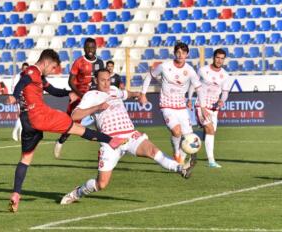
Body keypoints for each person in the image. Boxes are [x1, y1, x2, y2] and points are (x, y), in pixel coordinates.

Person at [8, 49, 126, 213]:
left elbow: (53, 91)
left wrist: (69, 93)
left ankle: (16, 193)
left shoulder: (37, 76)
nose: (53, 71)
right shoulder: (32, 72)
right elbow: (23, 82)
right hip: (41, 116)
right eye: (53, 67)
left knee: (25, 159)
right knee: (77, 128)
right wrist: (14, 95)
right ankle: (111, 140)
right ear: (47, 62)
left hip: (27, 122)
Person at [60, 69, 197, 205]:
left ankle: (180, 168)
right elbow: (74, 115)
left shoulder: (114, 90)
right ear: (95, 81)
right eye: (103, 80)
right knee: (101, 184)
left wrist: (138, 94)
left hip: (130, 134)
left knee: (153, 151)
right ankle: (77, 192)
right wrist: (97, 107)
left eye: (108, 80)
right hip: (111, 141)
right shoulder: (91, 96)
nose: (107, 83)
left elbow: (126, 94)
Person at [139, 42, 207, 164]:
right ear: (174, 53)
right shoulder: (165, 66)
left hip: (181, 107)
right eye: (178, 52)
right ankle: (176, 152)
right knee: (176, 131)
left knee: (188, 136)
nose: (181, 55)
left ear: (187, 54)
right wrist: (143, 94)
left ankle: (180, 160)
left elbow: (199, 88)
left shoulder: (190, 70)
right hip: (166, 105)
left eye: (184, 52)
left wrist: (202, 107)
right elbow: (149, 76)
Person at [54, 37, 104, 159]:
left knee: (102, 123)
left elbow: (102, 80)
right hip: (80, 96)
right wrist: (81, 95)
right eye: (88, 47)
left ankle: (104, 150)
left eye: (92, 47)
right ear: (84, 48)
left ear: (96, 48)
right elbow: (70, 82)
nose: (90, 50)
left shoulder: (100, 63)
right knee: (71, 123)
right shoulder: (79, 62)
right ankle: (60, 141)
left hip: (95, 97)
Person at [188, 48, 231, 168]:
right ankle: (211, 161)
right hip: (201, 106)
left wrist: (222, 100)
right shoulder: (203, 70)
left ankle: (188, 137)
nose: (219, 60)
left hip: (214, 108)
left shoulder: (225, 75)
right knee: (210, 130)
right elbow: (193, 84)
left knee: (210, 133)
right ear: (213, 57)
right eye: (218, 57)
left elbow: (225, 92)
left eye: (222, 58)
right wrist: (189, 98)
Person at [11, 62, 29, 142]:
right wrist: (15, 97)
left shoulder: (29, 76)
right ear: (21, 68)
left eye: (26, 68)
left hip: (27, 98)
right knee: (21, 115)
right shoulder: (18, 76)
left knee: (24, 116)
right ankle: (15, 132)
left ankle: (20, 133)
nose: (25, 69)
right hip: (19, 98)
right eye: (24, 68)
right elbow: (13, 87)